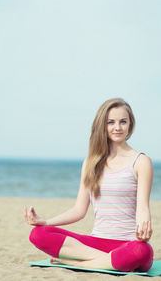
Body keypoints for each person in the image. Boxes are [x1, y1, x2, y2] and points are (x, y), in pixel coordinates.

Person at [24, 98, 154, 272]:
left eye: (123, 121)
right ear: (103, 125)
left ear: (130, 125)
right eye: (111, 122)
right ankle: (106, 261)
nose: (117, 127)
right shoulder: (90, 163)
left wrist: (143, 231)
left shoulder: (141, 161)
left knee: (142, 251)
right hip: (95, 244)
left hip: (128, 244)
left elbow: (143, 208)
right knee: (38, 234)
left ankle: (77, 263)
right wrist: (46, 221)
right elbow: (79, 210)